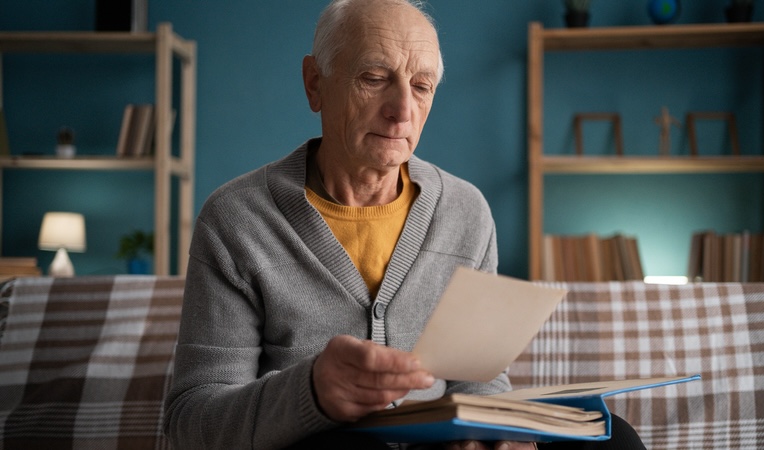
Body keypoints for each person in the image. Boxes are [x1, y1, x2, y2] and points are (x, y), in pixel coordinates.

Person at [163, 1, 646, 449]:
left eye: (421, 86)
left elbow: (476, 379)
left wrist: (493, 433)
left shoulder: (466, 210)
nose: (402, 112)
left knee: (610, 435)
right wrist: (311, 392)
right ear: (315, 83)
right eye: (374, 78)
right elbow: (189, 422)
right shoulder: (236, 218)